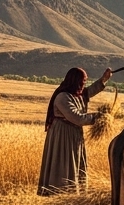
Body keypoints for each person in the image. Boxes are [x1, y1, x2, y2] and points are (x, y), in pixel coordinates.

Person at [37, 66, 112, 195]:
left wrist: (104, 80)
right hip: (62, 135)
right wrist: (98, 116)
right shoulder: (62, 97)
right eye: (82, 82)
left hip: (74, 134)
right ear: (74, 81)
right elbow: (77, 118)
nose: (83, 85)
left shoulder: (77, 94)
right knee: (62, 162)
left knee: (74, 162)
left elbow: (90, 91)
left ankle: (72, 193)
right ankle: (59, 192)